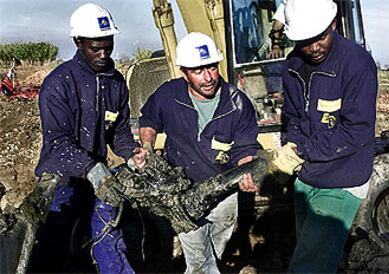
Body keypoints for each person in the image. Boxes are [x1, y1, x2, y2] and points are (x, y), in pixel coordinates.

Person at [135, 32, 261, 274]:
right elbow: (148, 120)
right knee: (201, 260)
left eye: (212, 68)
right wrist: (148, 147)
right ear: (184, 72)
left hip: (223, 191)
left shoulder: (238, 103)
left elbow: (245, 149)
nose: (208, 77)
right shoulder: (169, 94)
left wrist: (247, 171)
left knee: (213, 251)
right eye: (198, 71)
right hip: (182, 192)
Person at [31, 3, 142, 273]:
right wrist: (92, 169)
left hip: (99, 180)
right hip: (62, 182)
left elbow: (120, 131)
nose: (104, 54)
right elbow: (58, 143)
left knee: (109, 241)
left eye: (108, 45)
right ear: (78, 42)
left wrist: (131, 152)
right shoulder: (59, 84)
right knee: (53, 252)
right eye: (96, 48)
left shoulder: (115, 82)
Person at [271, 0, 378, 272]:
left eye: (319, 37)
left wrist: (301, 150)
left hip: (342, 178)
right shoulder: (292, 64)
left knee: (307, 268)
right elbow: (292, 117)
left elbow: (356, 130)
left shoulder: (357, 64)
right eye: (305, 40)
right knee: (315, 259)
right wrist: (292, 143)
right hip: (306, 176)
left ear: (332, 24)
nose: (313, 47)